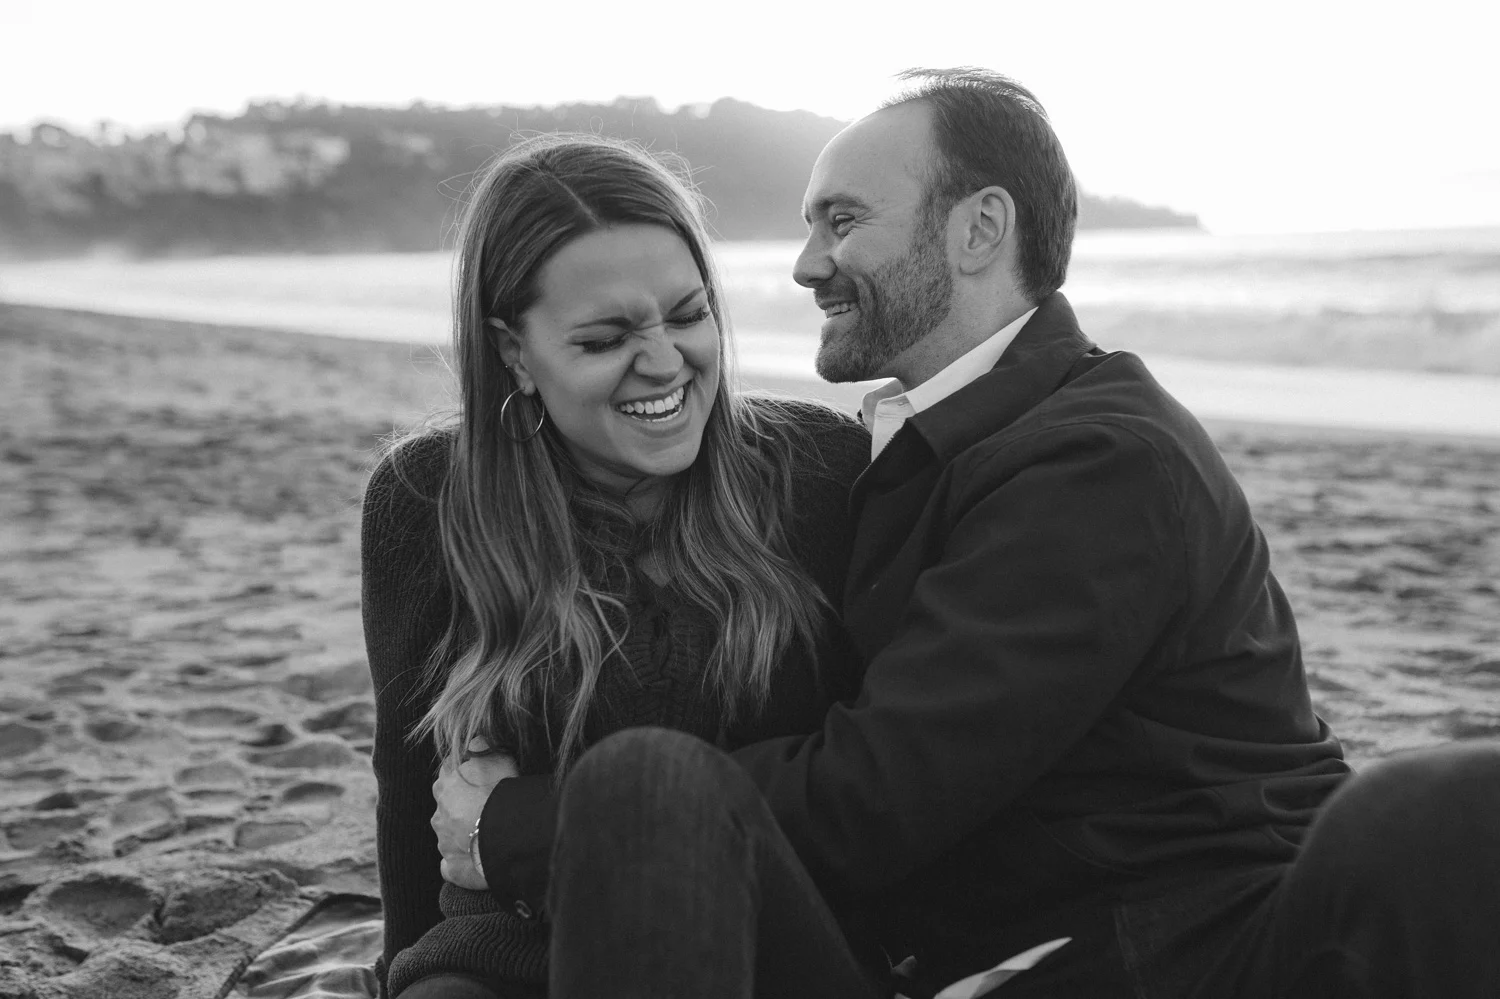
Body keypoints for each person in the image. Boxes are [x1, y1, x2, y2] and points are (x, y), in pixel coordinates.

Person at [448, 69, 1500, 999]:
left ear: (979, 229)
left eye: (842, 220)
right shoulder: (899, 450)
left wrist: (518, 829)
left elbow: (879, 792)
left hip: (1191, 958)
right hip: (944, 963)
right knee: (648, 785)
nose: (807, 264)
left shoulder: (1102, 459)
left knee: (1440, 807)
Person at [359, 133, 872, 998]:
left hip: (758, 952)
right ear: (514, 353)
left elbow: (876, 775)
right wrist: (406, 969)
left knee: (648, 778)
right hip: (504, 953)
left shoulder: (821, 471)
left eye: (688, 315)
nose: (665, 362)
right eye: (604, 339)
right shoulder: (428, 495)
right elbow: (408, 787)